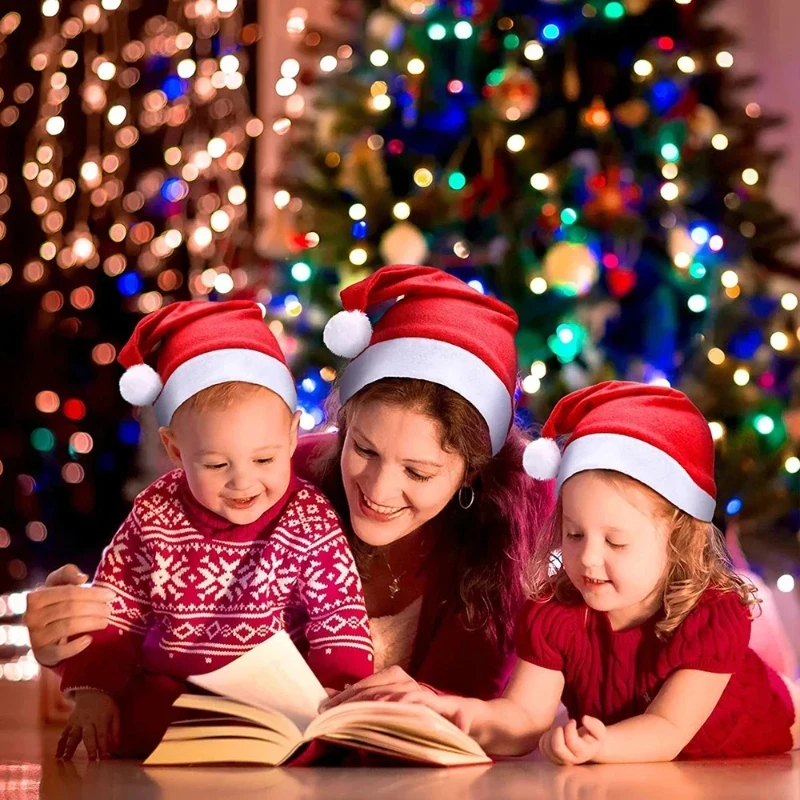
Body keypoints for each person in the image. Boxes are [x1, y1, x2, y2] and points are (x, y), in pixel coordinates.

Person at [25, 266, 553, 725]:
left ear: (470, 473)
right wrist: (69, 640)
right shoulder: (269, 476)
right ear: (342, 426)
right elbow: (161, 611)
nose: (378, 489)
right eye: (363, 449)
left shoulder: (514, 529)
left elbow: (503, 706)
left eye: (418, 472)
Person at [399, 381, 800, 762]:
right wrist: (456, 714)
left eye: (616, 542)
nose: (588, 558)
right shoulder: (557, 615)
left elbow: (667, 730)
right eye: (574, 534)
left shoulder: (711, 616)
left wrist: (599, 745)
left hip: (773, 739)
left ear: (678, 539)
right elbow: (523, 718)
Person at [55, 300, 373, 760]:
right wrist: (94, 691)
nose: (243, 482)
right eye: (216, 464)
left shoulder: (308, 517)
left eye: (264, 459)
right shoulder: (155, 515)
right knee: (139, 719)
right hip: (176, 692)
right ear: (175, 450)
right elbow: (115, 610)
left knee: (314, 737)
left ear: (291, 435)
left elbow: (337, 617)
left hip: (277, 701)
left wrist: (340, 698)